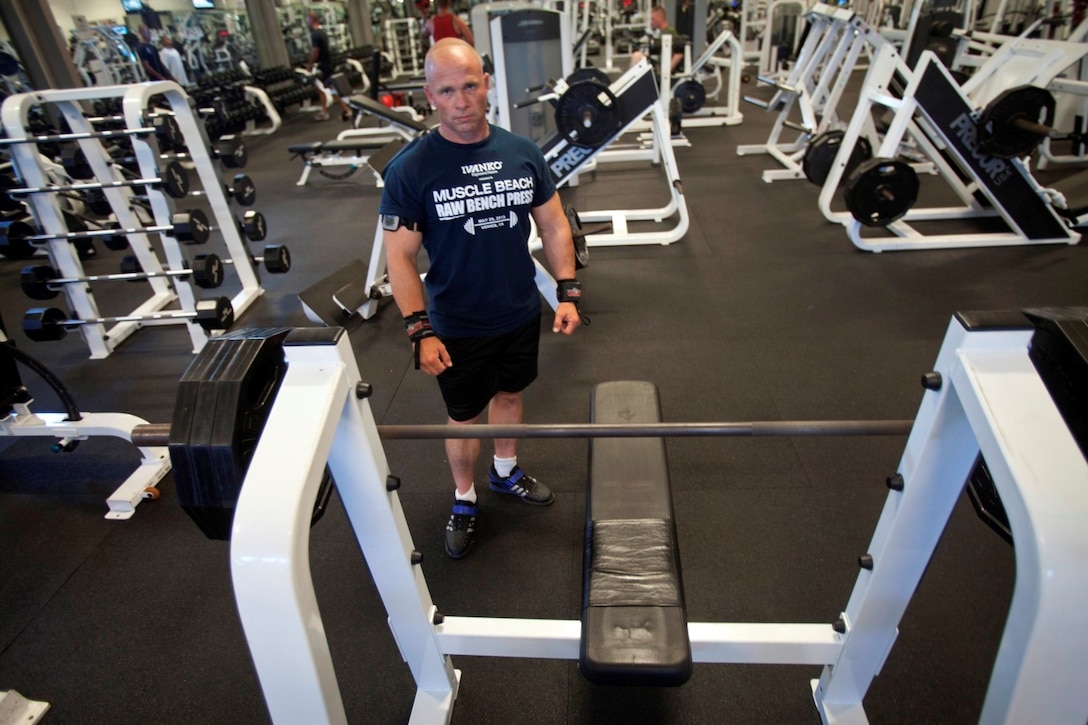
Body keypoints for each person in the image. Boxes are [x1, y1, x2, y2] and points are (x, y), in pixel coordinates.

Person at [379, 39, 583, 560]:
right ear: (431, 96)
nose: (462, 100)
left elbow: (554, 222)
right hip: (457, 321)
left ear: (486, 83)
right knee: (465, 416)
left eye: (470, 85)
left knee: (511, 396)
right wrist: (419, 330)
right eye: (447, 91)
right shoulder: (411, 169)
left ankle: (505, 472)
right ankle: (465, 498)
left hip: (517, 310)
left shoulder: (521, 153)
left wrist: (567, 289)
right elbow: (399, 257)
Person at [307, 11, 353, 122]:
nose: (306, 22)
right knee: (325, 88)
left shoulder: (315, 34)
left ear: (311, 20)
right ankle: (328, 110)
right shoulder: (322, 33)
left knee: (330, 89)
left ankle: (345, 109)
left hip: (322, 66)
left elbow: (316, 51)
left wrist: (310, 64)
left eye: (307, 20)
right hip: (327, 64)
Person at [630, 6, 685, 73]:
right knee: (638, 56)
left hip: (661, 68)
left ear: (660, 18)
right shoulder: (662, 32)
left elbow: (680, 53)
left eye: (653, 19)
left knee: (637, 56)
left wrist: (667, 71)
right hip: (658, 65)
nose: (651, 22)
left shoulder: (670, 32)